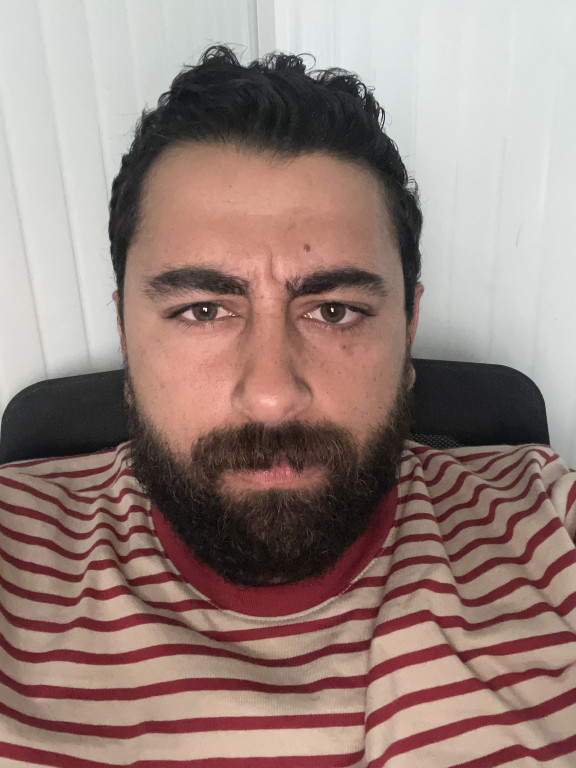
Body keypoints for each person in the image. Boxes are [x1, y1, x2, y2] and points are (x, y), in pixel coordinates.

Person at [0, 44, 575, 768]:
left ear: (408, 328)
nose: (272, 395)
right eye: (203, 310)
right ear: (124, 331)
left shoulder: (547, 523)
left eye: (333, 310)